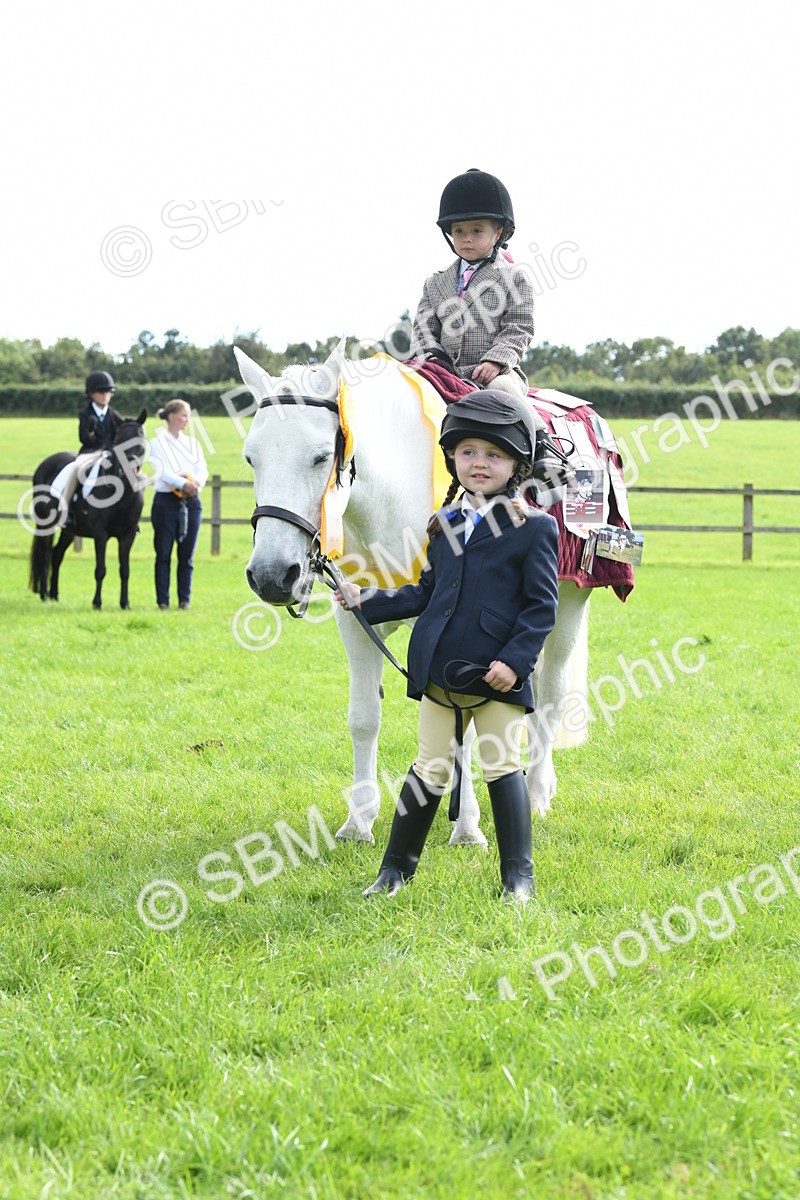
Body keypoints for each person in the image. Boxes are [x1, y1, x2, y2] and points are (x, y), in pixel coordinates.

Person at [334, 389, 559, 901]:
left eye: (494, 455)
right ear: (453, 459)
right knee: (429, 766)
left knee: (502, 767)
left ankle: (517, 880)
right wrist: (364, 599)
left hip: (497, 676)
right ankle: (395, 872)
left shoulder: (535, 529)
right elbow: (427, 594)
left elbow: (540, 609)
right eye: (469, 453)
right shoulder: (446, 524)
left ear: (517, 466)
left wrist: (514, 663)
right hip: (440, 671)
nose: (480, 464)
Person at [410, 167, 572, 485]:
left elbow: (519, 326)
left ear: (498, 233)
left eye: (476, 230)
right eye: (459, 231)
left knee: (505, 392)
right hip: (440, 370)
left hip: (491, 373)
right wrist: (431, 355)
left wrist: (496, 360)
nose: (466, 238)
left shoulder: (514, 277)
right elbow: (422, 326)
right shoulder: (435, 283)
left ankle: (544, 448)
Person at [148, 399, 209, 610]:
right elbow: (161, 471)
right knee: (163, 554)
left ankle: (184, 601)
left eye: (188, 416)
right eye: (184, 415)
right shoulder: (156, 443)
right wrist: (183, 483)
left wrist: (195, 484)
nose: (187, 420)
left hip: (191, 503)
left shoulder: (193, 443)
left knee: (187, 556)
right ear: (172, 416)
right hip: (166, 502)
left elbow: (203, 470)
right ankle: (163, 601)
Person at [49, 370, 124, 520]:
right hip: (91, 451)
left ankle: (128, 515)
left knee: (130, 472)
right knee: (76, 468)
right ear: (91, 394)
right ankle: (66, 508)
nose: (105, 395)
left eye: (108, 392)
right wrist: (90, 432)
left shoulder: (114, 414)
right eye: (101, 392)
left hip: (110, 452)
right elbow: (83, 439)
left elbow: (118, 437)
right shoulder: (85, 413)